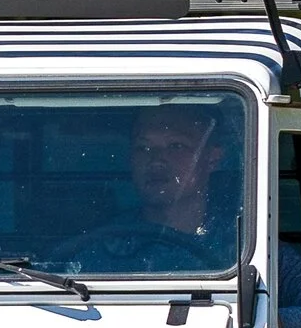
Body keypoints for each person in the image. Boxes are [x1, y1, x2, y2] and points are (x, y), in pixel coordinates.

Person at [70, 104, 242, 276]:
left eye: (176, 146)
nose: (156, 160)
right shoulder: (102, 247)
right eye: (143, 147)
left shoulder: (240, 244)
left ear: (213, 158)